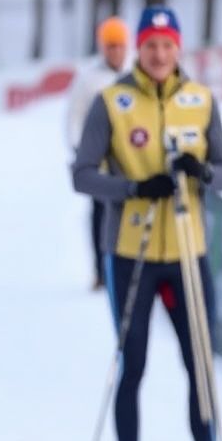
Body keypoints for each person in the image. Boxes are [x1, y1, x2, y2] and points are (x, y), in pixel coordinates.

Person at [72, 4, 222, 441]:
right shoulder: (112, 101)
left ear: (178, 48)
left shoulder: (200, 100)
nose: (159, 54)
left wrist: (202, 171)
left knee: (200, 366)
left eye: (167, 45)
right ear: (138, 49)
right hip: (131, 253)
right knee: (133, 365)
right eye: (150, 45)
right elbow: (81, 175)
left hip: (188, 250)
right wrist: (134, 188)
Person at [65, 16, 131, 289]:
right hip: (101, 162)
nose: (115, 52)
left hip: (130, 160)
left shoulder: (135, 76)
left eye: (119, 46)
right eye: (110, 46)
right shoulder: (89, 80)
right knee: (101, 215)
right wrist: (83, 152)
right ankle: (102, 270)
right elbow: (74, 118)